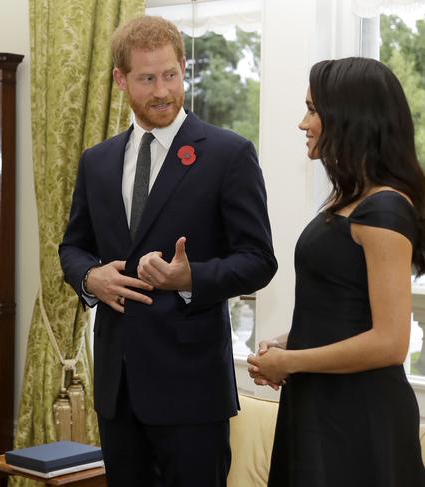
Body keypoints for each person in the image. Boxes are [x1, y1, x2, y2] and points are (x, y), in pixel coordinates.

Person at [59, 16, 277, 487]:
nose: (162, 91)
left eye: (171, 75)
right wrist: (89, 278)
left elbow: (259, 259)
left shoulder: (228, 153)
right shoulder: (96, 161)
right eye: (147, 78)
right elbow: (73, 246)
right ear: (121, 80)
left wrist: (190, 278)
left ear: (184, 68)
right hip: (117, 390)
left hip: (192, 391)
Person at [248, 57, 425, 486]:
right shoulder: (350, 202)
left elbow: (389, 342)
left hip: (358, 418)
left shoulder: (384, 208)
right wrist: (290, 343)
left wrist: (292, 361)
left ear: (348, 117)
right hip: (321, 405)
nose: (302, 122)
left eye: (312, 109)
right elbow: (347, 311)